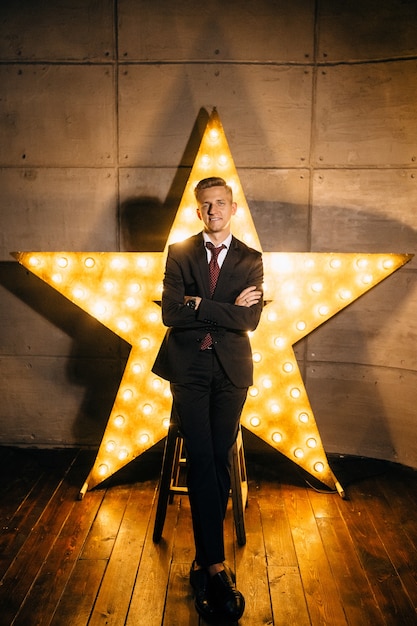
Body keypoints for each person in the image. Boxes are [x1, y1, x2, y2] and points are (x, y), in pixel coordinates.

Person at [152, 176, 263, 621]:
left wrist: (199, 305)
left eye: (221, 204)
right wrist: (225, 309)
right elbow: (169, 314)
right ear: (198, 212)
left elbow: (250, 321)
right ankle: (216, 567)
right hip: (189, 371)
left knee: (217, 460)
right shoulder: (179, 253)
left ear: (232, 209)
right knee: (201, 459)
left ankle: (204, 562)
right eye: (206, 206)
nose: (214, 211)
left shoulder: (251, 258)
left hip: (232, 372)